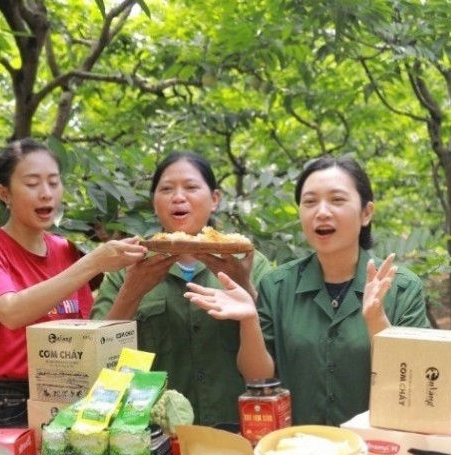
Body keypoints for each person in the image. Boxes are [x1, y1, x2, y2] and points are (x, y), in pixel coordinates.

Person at [184, 154, 430, 426]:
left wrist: (376, 321)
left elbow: (419, 386)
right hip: (299, 450)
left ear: (366, 213)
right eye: (310, 202)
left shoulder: (402, 288)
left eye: (337, 200)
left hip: (379, 451)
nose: (321, 212)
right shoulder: (277, 286)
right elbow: (258, 379)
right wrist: (249, 320)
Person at [0, 138, 146, 428]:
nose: (46, 194)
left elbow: (88, 332)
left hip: (74, 392)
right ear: (4, 193)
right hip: (11, 401)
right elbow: (11, 313)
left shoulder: (67, 250)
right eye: (32, 184)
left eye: (54, 182)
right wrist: (94, 262)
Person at [90, 151, 272, 426]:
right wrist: (132, 291)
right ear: (154, 202)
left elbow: (274, 353)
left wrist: (244, 284)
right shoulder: (127, 266)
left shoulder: (250, 263)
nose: (178, 197)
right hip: (152, 433)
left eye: (191, 187)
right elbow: (97, 363)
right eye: (166, 189)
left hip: (236, 428)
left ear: (214, 199)